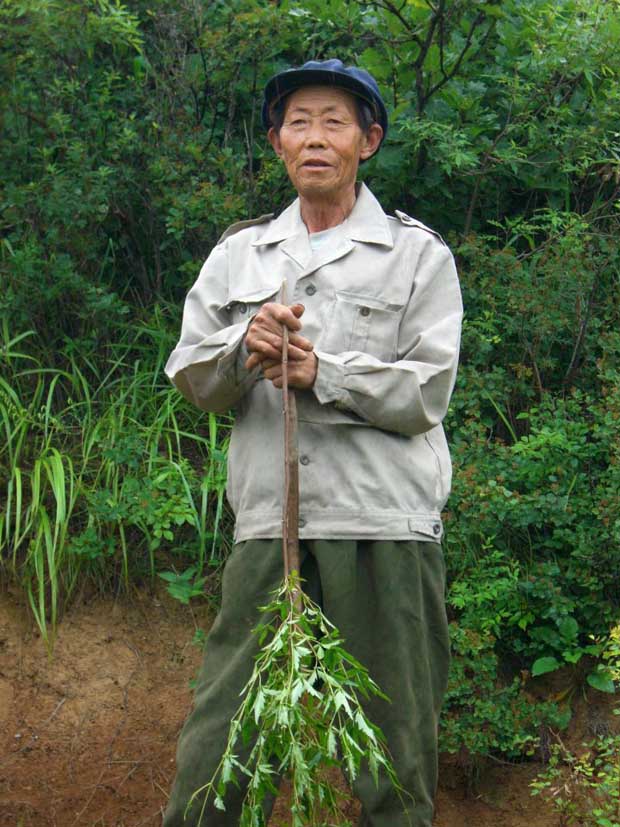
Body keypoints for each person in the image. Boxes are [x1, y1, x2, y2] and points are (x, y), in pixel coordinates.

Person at [163, 58, 462, 827]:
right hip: (269, 529)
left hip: (381, 527)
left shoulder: (417, 255)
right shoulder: (241, 254)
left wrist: (321, 369)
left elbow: (427, 390)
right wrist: (243, 347)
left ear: (369, 140)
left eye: (335, 122)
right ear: (277, 144)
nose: (316, 138)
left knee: (394, 764)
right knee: (218, 752)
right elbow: (191, 377)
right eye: (299, 122)